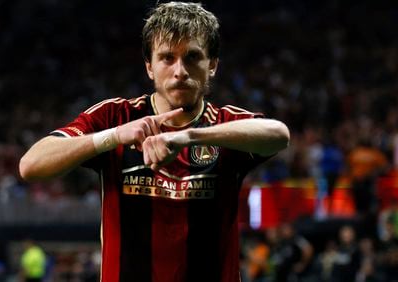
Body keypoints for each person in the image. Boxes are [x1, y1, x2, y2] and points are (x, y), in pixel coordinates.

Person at [19, 2, 290, 281]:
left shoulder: (224, 124)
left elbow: (278, 135)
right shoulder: (117, 116)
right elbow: (31, 165)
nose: (180, 70)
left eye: (193, 57)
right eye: (167, 58)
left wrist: (190, 136)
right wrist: (114, 136)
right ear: (149, 67)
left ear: (212, 66)